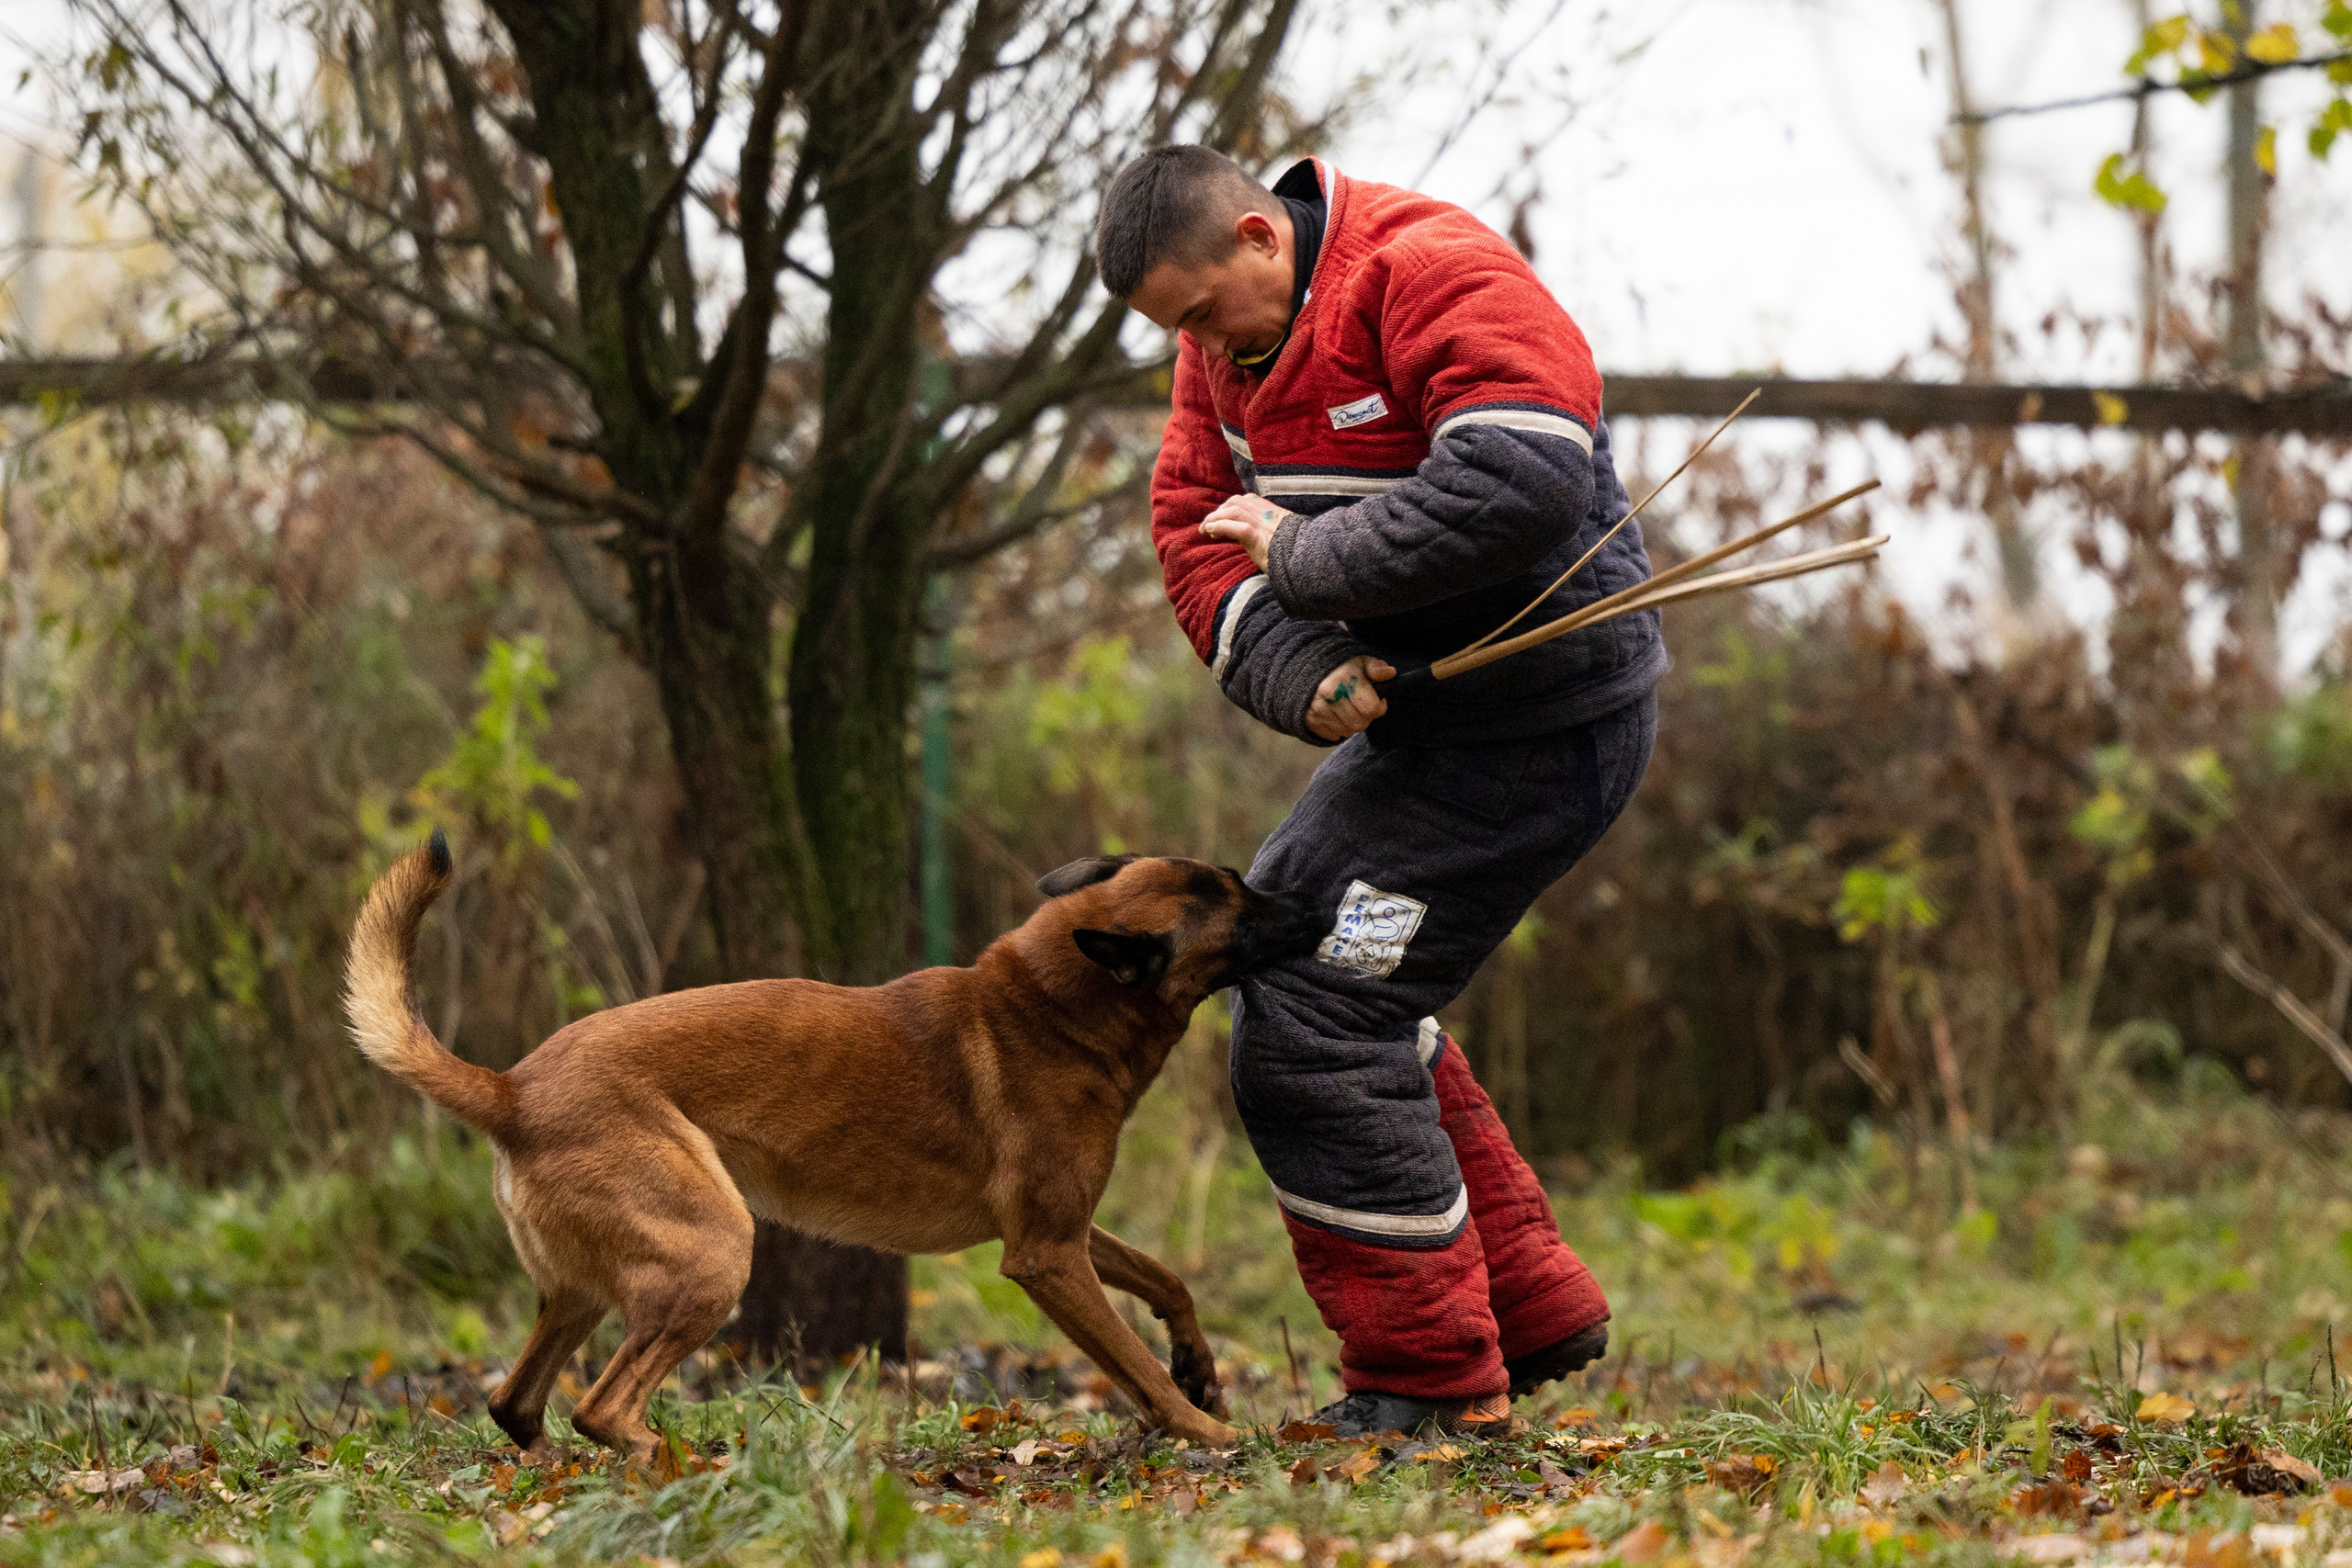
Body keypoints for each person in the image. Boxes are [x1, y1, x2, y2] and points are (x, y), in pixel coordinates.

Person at [1091, 145, 1662, 1438]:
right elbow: (1192, 529)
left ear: (1258, 238)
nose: (1196, 351)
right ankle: (1520, 1307)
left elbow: (1519, 478)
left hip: (1538, 738)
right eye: (1172, 332)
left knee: (1317, 1012)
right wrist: (1303, 674)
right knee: (1311, 968)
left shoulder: (1431, 270)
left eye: (1197, 314)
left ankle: (1431, 1387)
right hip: (1422, 740)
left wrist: (1303, 552)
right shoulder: (1222, 356)